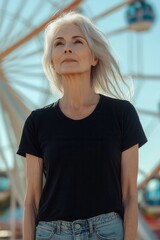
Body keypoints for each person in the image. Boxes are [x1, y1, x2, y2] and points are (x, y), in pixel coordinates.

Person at [17, 11, 147, 240]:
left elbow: (129, 195)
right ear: (53, 61)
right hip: (51, 233)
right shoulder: (37, 122)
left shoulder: (122, 114)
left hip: (107, 231)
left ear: (94, 57)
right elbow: (31, 202)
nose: (67, 48)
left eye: (78, 41)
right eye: (59, 43)